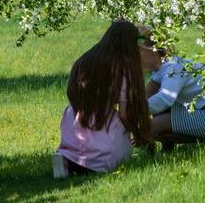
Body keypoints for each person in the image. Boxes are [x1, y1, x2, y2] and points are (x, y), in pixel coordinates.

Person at [53, 21, 152, 178]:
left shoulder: (87, 58)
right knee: (116, 155)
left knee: (78, 149)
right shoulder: (122, 68)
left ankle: (68, 160)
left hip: (75, 115)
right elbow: (125, 114)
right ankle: (89, 167)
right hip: (101, 119)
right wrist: (138, 134)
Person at [138, 27, 205, 150]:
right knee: (147, 125)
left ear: (150, 51)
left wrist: (136, 111)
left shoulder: (173, 68)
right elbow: (145, 97)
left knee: (148, 129)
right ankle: (167, 149)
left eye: (135, 53)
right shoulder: (159, 70)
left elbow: (165, 99)